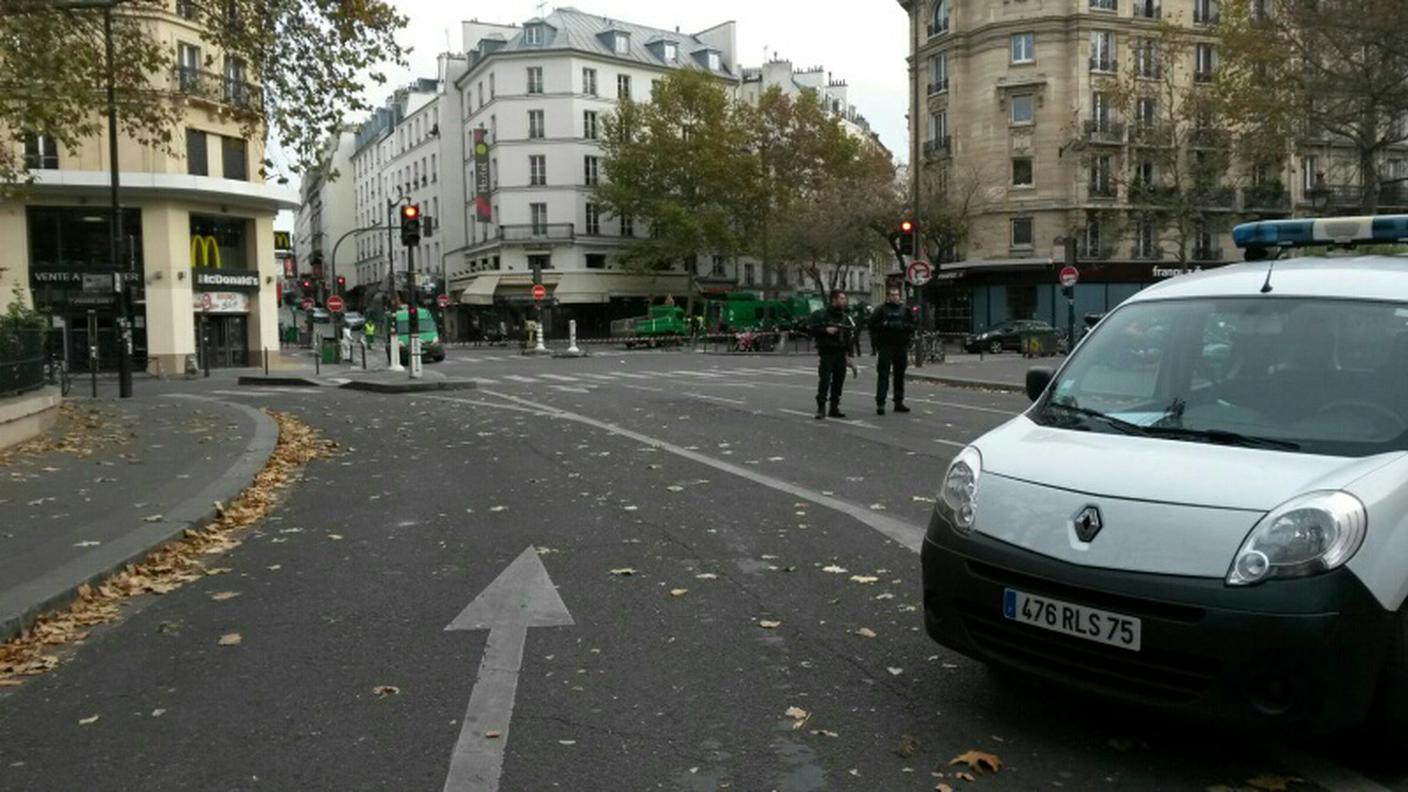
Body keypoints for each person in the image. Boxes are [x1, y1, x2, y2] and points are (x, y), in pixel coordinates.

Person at [808, 289, 856, 419]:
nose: (843, 301)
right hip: (827, 352)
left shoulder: (845, 317)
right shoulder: (821, 315)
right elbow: (811, 329)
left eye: (844, 299)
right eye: (841, 298)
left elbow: (849, 337)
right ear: (833, 300)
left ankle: (834, 407)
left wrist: (849, 356)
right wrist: (825, 330)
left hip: (840, 352)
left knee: (838, 381)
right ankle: (821, 407)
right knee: (825, 380)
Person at [869, 284, 916, 415]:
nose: (896, 297)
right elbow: (872, 325)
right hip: (886, 345)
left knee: (899, 375)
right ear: (888, 296)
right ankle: (881, 402)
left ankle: (898, 401)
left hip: (901, 345)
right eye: (893, 295)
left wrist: (903, 326)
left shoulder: (905, 310)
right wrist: (885, 325)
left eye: (897, 295)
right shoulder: (881, 310)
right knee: (883, 374)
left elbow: (913, 324)